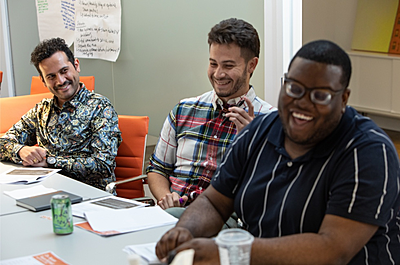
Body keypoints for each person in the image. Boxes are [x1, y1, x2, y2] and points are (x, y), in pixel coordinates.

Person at [155, 40, 400, 264]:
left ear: (344, 98)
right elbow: (214, 202)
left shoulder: (367, 152)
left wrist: (230, 253)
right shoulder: (258, 131)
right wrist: (186, 230)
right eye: (294, 89)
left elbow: (332, 249)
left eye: (320, 95)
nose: (303, 103)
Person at [146, 18, 275, 213]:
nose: (218, 74)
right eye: (213, 64)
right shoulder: (183, 110)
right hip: (172, 213)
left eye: (228, 66)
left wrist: (250, 143)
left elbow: (271, 189)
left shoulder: (269, 121)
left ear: (252, 65)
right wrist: (166, 197)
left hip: (223, 221)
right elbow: (157, 169)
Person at [0, 38, 122, 191]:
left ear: (76, 65)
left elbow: (103, 165)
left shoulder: (100, 107)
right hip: (46, 191)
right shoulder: (42, 111)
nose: (60, 81)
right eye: (51, 76)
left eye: (64, 71)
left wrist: (49, 161)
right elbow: (2, 143)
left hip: (88, 197)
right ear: (43, 80)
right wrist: (20, 150)